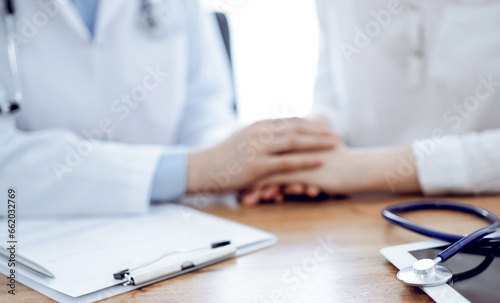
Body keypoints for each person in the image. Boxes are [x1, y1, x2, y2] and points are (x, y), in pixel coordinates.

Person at [0, 0, 339, 215]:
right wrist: (196, 169)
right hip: (32, 245)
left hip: (173, 229)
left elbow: (205, 110)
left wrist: (251, 172)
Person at [241, 0, 500, 205]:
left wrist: (357, 170)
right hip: (359, 217)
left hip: (478, 218)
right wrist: (301, 157)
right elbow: (333, 98)